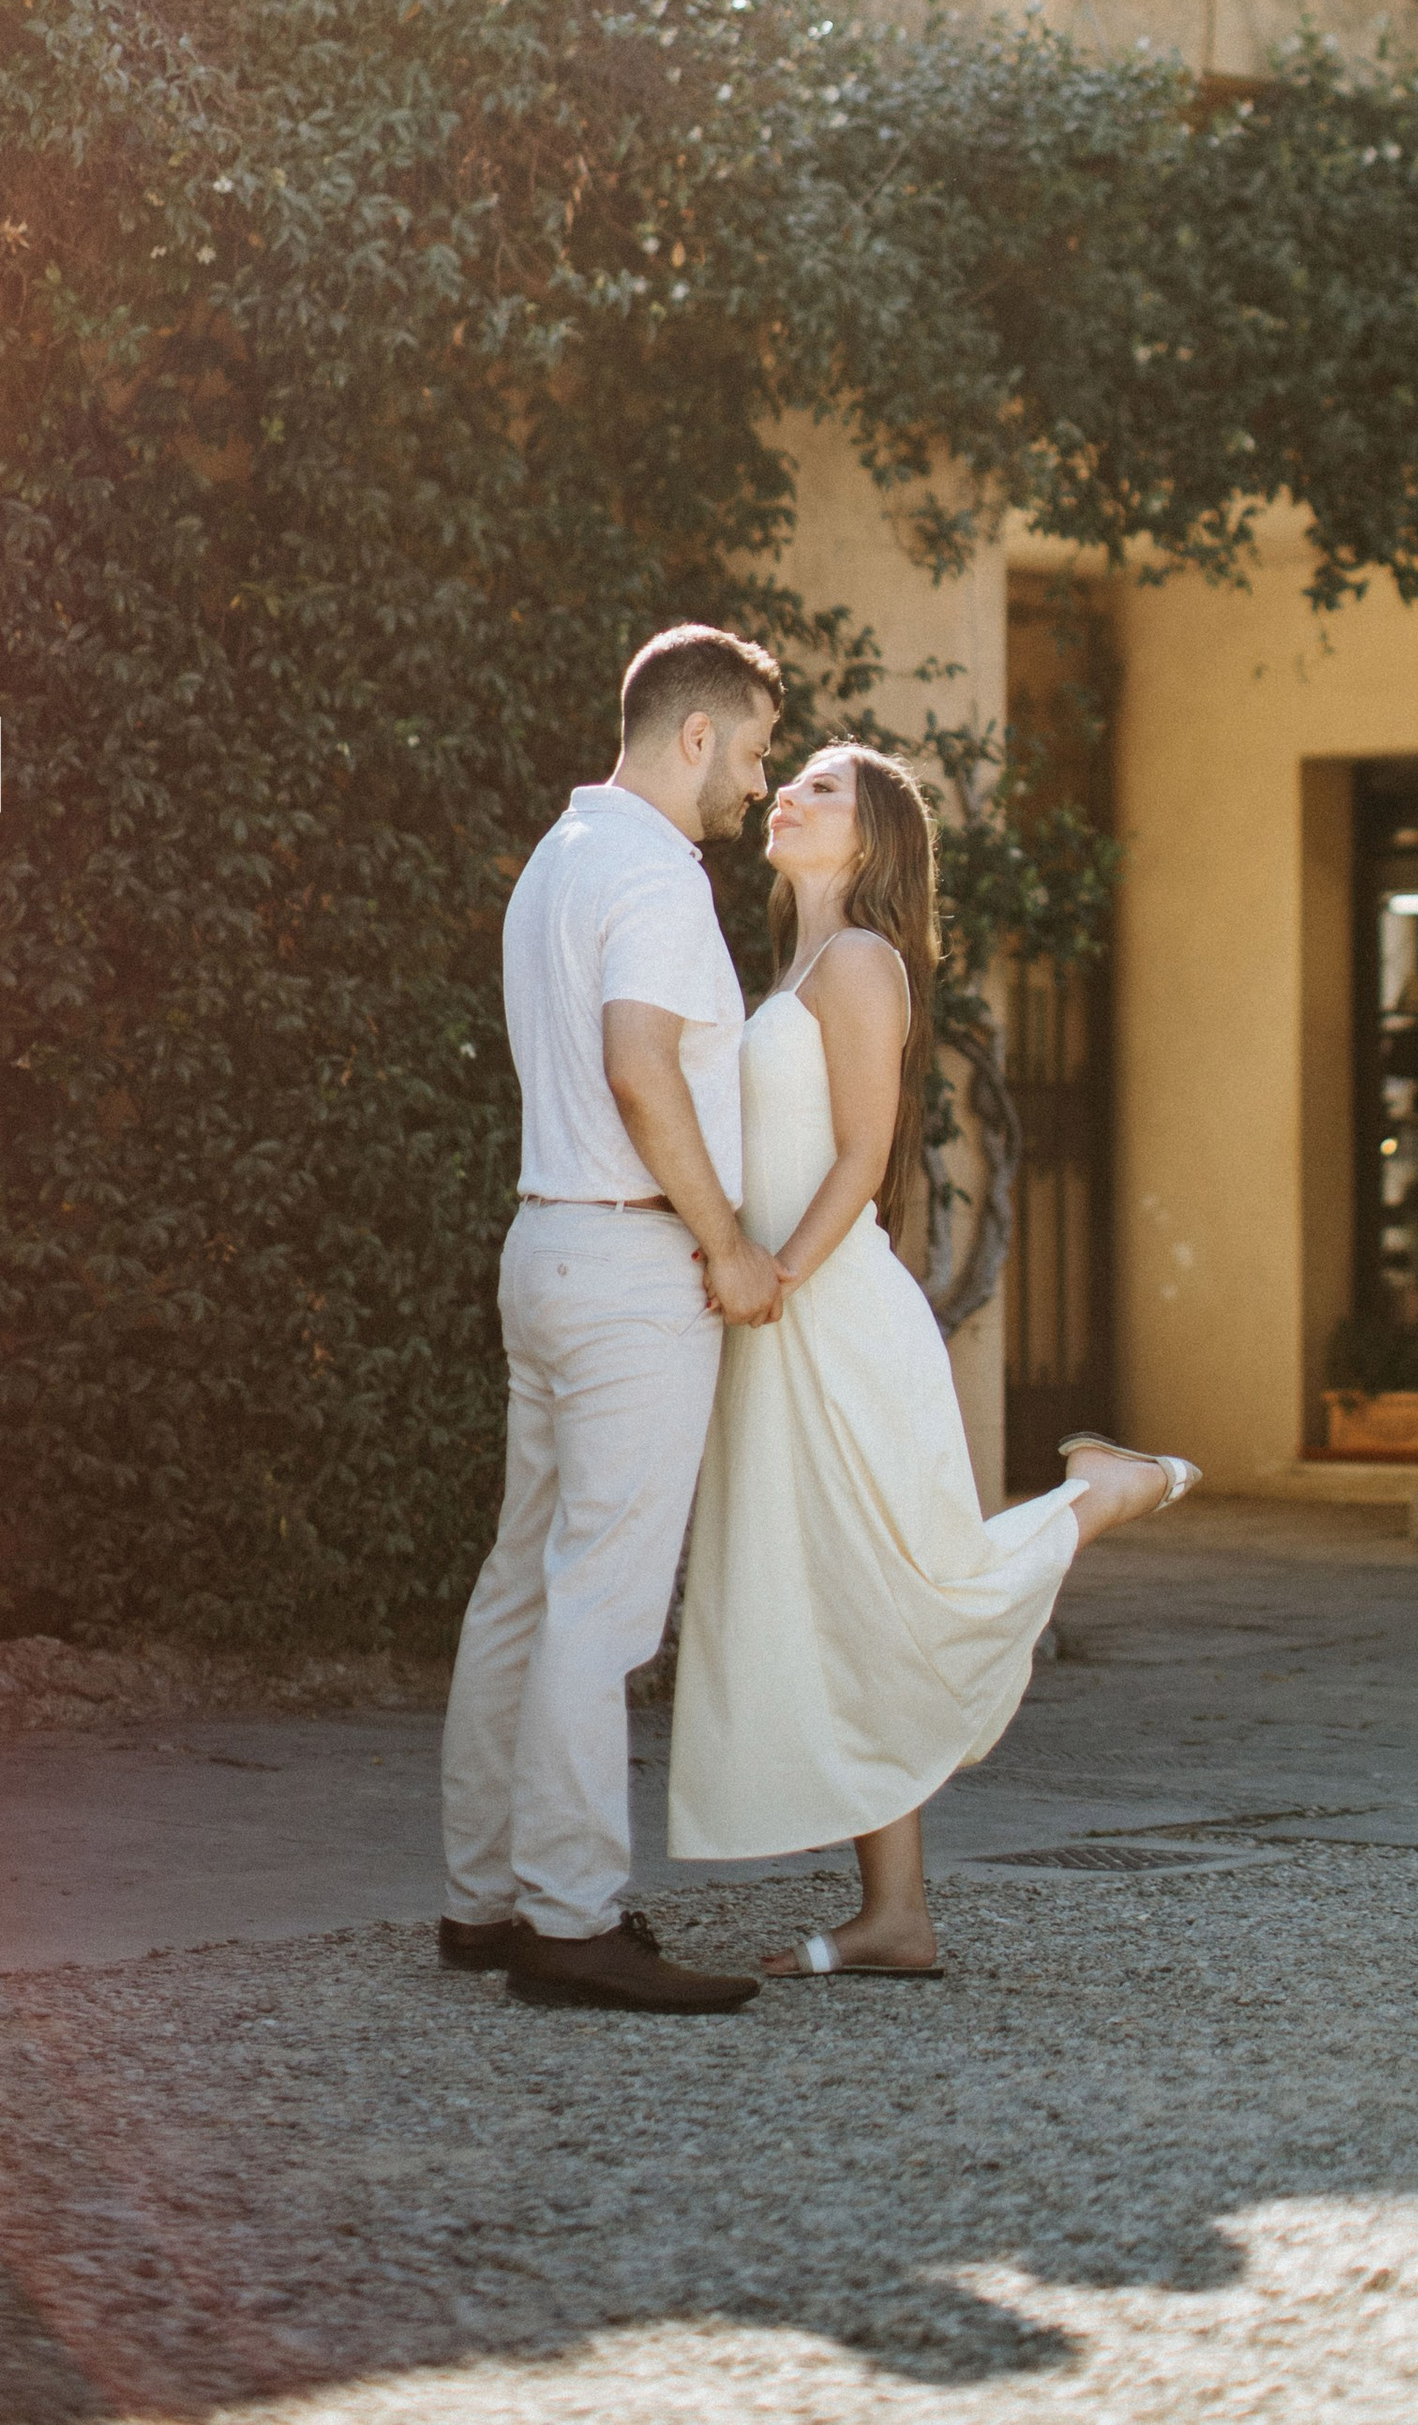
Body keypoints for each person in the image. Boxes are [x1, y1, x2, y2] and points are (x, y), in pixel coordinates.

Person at [668, 738, 1196, 1981]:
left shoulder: (858, 963)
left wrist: (775, 1276)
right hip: (782, 1318)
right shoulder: (795, 962)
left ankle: (1096, 1499)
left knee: (908, 1584)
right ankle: (893, 1916)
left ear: (875, 838)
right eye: (786, 779)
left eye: (823, 789)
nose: (786, 795)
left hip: (828, 1311)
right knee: (839, 1596)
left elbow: (862, 1156)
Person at [438, 622, 787, 2016]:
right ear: (694, 735)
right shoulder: (649, 873)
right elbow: (644, 1072)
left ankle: (483, 1900)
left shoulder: (559, 858)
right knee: (600, 1600)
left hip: (546, 1245)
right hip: (636, 1269)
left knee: (524, 1582)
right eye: (756, 753)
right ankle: (572, 1922)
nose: (760, 786)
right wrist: (731, 1246)